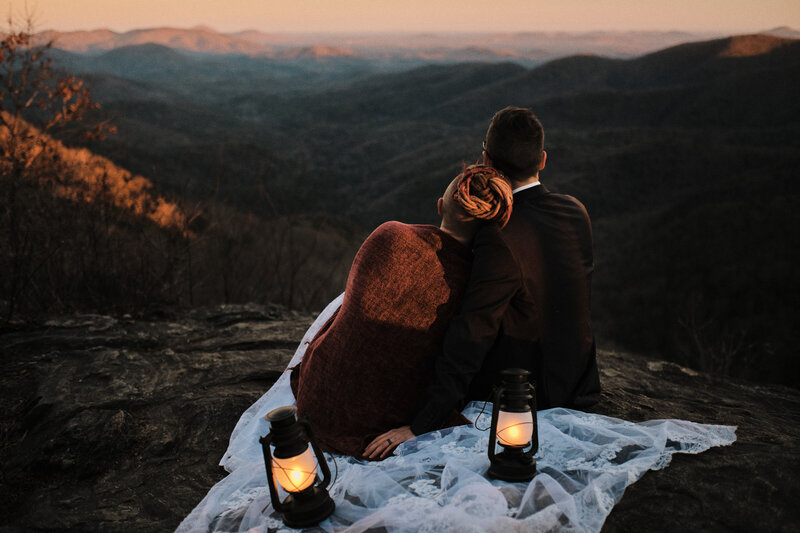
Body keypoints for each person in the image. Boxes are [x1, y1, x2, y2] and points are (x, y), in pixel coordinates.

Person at [365, 106, 601, 459]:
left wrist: (422, 424)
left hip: (530, 391)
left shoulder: (499, 234)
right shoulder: (575, 210)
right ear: (543, 160)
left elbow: (474, 331)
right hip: (578, 380)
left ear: (486, 160)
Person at [291, 165, 513, 460]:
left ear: (439, 207)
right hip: (377, 423)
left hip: (316, 398)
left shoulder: (388, 235)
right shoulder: (473, 288)